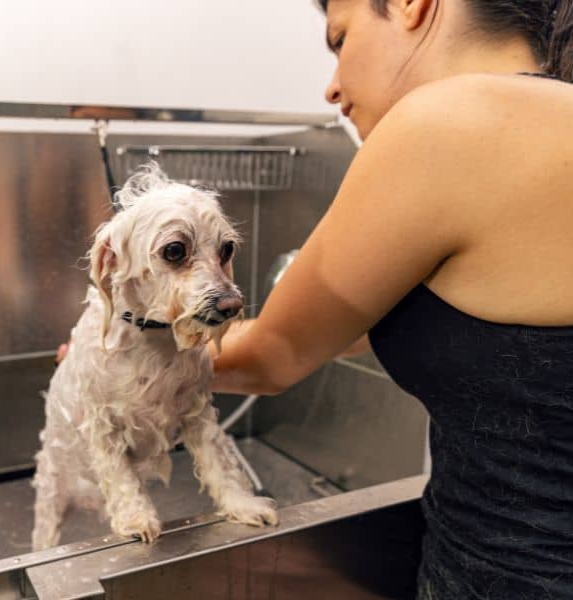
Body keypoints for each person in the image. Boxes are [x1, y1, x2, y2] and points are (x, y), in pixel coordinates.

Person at [208, 0, 573, 597]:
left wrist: (121, 354)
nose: (332, 88)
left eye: (340, 38)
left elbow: (267, 357)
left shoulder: (447, 121)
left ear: (410, 5)